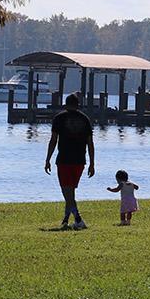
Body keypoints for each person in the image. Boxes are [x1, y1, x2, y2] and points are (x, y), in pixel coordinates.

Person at [44, 92, 95, 229]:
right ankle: (66, 220)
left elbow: (53, 140)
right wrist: (92, 163)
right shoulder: (85, 119)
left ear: (66, 105)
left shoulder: (59, 118)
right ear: (78, 105)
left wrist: (48, 159)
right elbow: (90, 143)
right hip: (80, 161)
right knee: (70, 191)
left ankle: (78, 220)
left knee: (67, 192)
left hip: (64, 160)